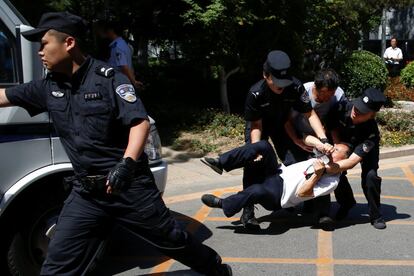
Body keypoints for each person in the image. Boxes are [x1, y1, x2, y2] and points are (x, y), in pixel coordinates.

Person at [0, 12, 231, 275]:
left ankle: (213, 267)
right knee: (57, 263)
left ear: (69, 43)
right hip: (86, 193)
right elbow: (4, 96)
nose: (39, 51)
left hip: (128, 187)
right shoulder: (48, 87)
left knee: (171, 238)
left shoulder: (108, 79)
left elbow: (139, 123)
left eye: (44, 44)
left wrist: (126, 164)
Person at [241, 50, 332, 229]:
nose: (281, 87)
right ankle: (248, 212)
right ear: (265, 75)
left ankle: (315, 207)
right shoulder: (256, 93)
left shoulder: (295, 87)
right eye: (277, 82)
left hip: (283, 126)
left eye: (284, 82)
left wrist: (323, 139)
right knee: (252, 165)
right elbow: (257, 126)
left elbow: (310, 114)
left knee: (299, 161)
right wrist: (256, 149)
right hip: (259, 127)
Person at [200, 138, 353, 222]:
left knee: (257, 190)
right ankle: (221, 162)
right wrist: (322, 144)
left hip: (279, 194)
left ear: (344, 160)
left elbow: (303, 194)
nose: (333, 149)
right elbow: (307, 140)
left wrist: (316, 175)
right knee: (264, 145)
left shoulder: (332, 181)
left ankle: (224, 204)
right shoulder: (322, 156)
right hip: (277, 172)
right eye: (334, 146)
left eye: (337, 150)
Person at [284, 69, 346, 223]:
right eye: (324, 93)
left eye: (331, 94)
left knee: (323, 170)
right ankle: (293, 201)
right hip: (298, 136)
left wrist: (335, 143)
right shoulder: (302, 92)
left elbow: (336, 122)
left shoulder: (338, 95)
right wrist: (295, 139)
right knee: (296, 169)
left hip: (322, 140)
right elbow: (287, 120)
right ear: (316, 87)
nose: (328, 97)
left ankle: (323, 214)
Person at [328, 88, 387, 230]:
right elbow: (333, 126)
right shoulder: (342, 107)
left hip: (364, 145)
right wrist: (336, 145)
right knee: (336, 166)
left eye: (362, 112)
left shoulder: (372, 133)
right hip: (345, 141)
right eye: (358, 106)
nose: (356, 111)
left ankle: (375, 214)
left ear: (372, 115)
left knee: (370, 177)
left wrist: (328, 168)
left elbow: (352, 161)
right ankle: (346, 202)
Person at [97, 20, 142, 87]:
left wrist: (134, 82)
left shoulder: (118, 46)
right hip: (123, 82)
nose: (106, 33)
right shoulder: (122, 44)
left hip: (120, 83)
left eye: (107, 30)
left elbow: (124, 67)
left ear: (111, 30)